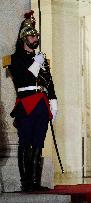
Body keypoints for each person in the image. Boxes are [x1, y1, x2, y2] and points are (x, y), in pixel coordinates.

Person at [8, 11, 58, 192]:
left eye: (36, 35)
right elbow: (22, 80)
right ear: (23, 38)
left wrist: (53, 100)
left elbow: (49, 82)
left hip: (42, 105)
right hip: (27, 104)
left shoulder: (41, 58)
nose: (35, 37)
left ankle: (35, 181)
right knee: (25, 142)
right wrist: (36, 63)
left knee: (39, 142)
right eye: (31, 35)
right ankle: (25, 182)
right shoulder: (15, 59)